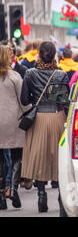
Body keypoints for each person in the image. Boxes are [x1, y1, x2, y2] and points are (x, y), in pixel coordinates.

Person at [20, 41, 69, 213]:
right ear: (55, 55)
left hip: (39, 118)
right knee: (58, 157)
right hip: (57, 116)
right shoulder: (61, 74)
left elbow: (25, 100)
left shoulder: (30, 74)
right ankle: (60, 194)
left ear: (39, 55)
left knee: (39, 155)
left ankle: (41, 193)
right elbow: (64, 101)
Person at [0, 45, 26, 210]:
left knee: (0, 159)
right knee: (18, 155)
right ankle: (14, 189)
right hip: (13, 122)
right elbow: (23, 100)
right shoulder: (15, 76)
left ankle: (1, 194)